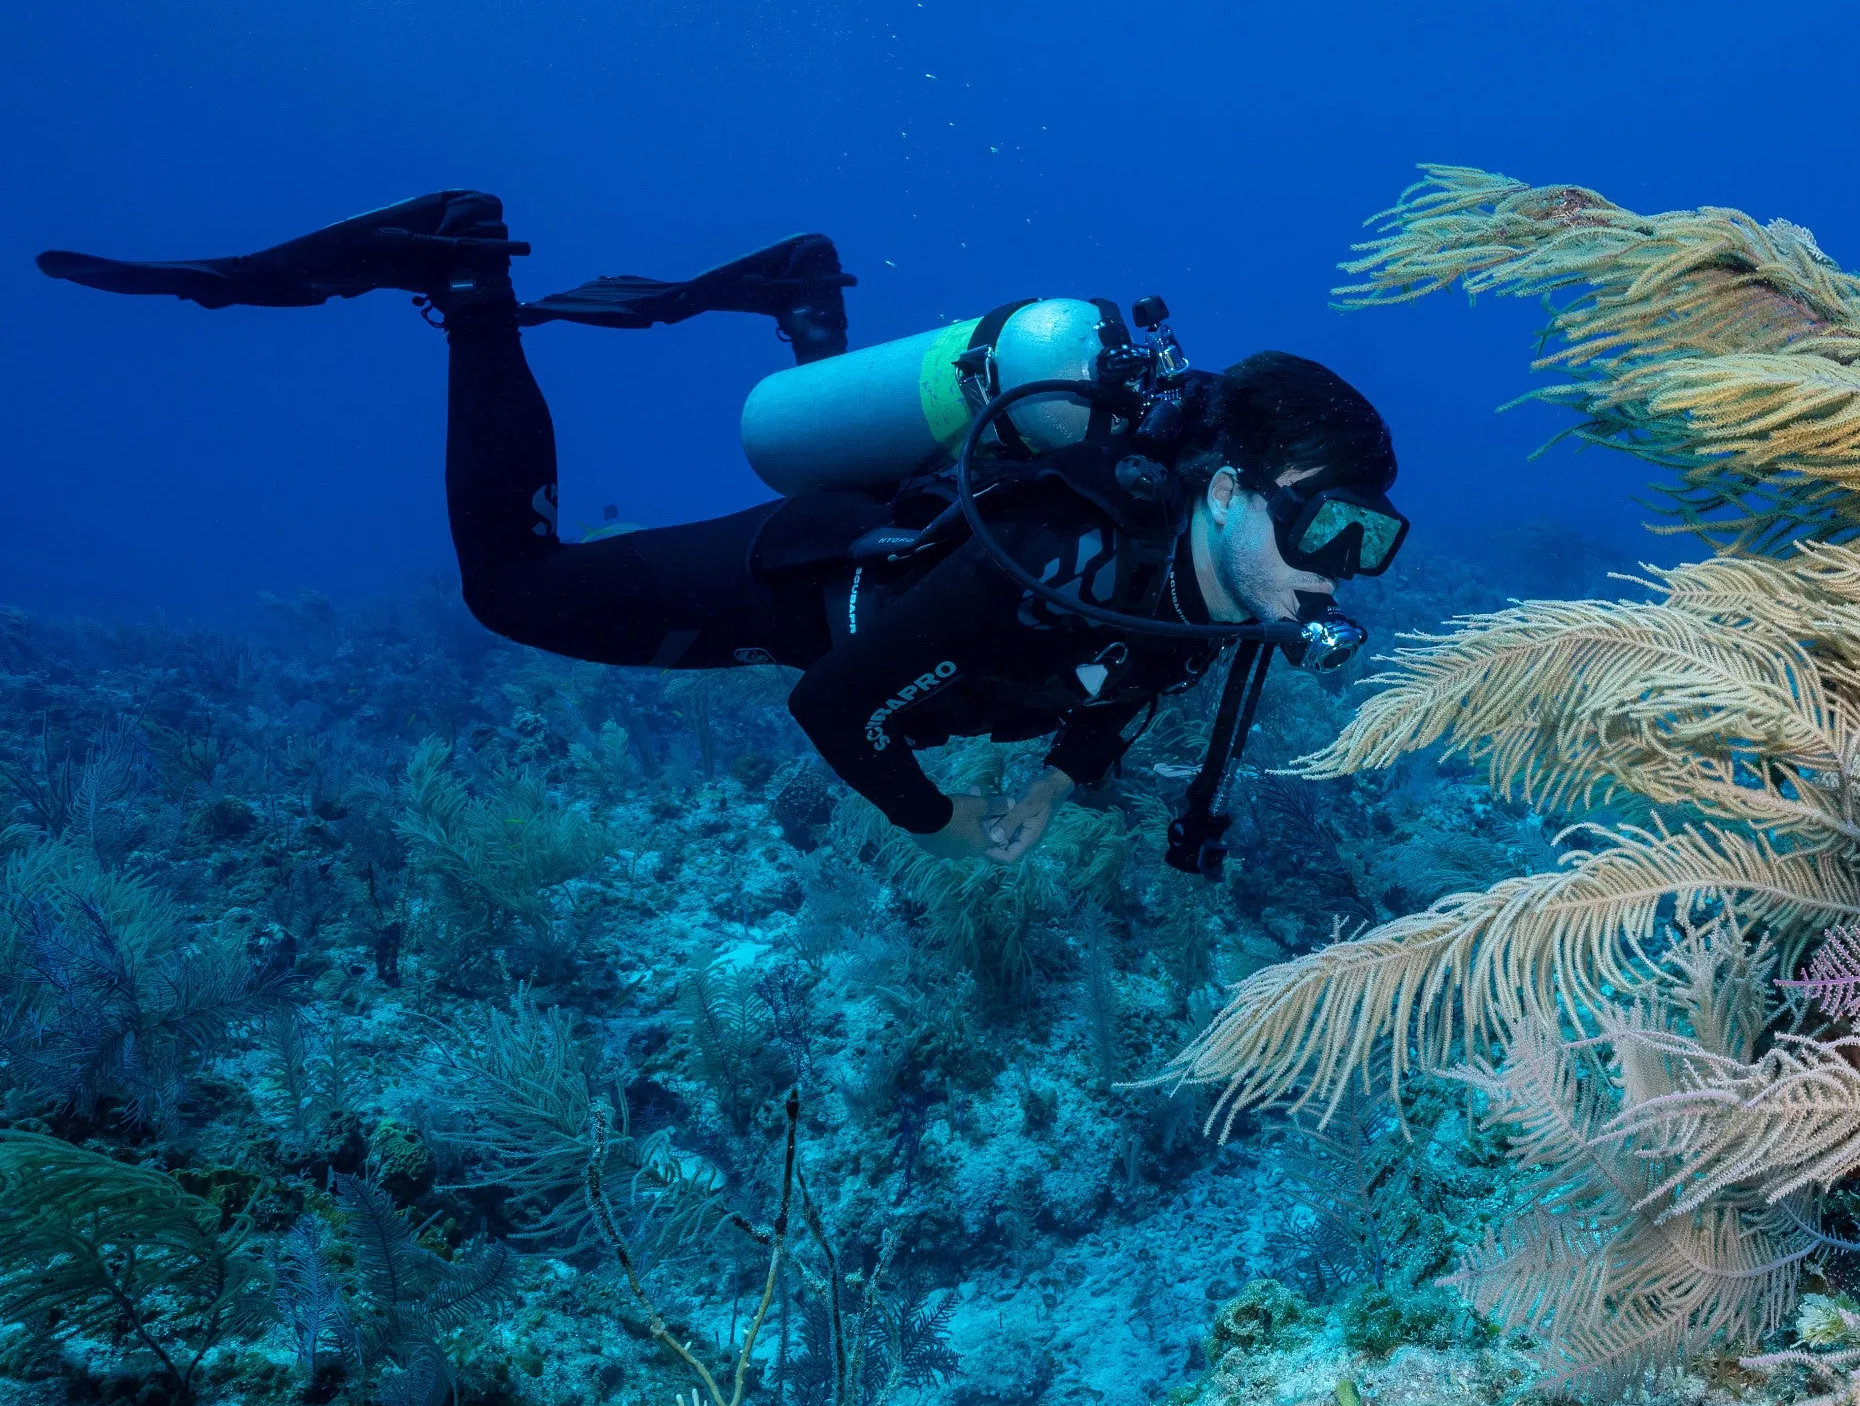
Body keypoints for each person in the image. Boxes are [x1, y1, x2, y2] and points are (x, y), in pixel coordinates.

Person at [38, 191, 1405, 865]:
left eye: (1363, 541)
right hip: (793, 581)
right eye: (1324, 527)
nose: (1336, 573)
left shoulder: (1210, 589)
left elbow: (1139, 681)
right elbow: (837, 711)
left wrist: (1055, 783)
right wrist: (944, 818)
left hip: (900, 527)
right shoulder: (1058, 572)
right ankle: (463, 270)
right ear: (1226, 490)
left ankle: (810, 307)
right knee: (511, 590)